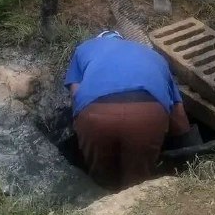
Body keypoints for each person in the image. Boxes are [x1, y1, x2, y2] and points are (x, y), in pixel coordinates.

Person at [65, 31, 195, 190]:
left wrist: (81, 129)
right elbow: (178, 113)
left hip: (96, 112)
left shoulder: (84, 48)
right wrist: (191, 156)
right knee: (137, 186)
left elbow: (76, 94)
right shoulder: (153, 56)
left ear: (98, 39)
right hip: (146, 112)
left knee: (102, 183)